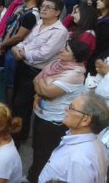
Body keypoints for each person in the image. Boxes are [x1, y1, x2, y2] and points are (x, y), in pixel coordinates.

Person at [28, 40, 90, 182]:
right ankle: (32, 175)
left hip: (54, 120)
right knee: (37, 147)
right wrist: (41, 89)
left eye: (66, 50)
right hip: (41, 113)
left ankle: (36, 178)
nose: (61, 50)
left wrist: (41, 87)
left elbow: (48, 92)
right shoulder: (57, 64)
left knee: (44, 152)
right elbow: (36, 79)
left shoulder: (75, 74)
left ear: (75, 57)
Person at [11, 0, 69, 145]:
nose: (43, 9)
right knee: (15, 102)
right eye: (43, 6)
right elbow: (25, 42)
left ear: (57, 12)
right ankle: (20, 133)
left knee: (21, 104)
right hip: (22, 66)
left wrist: (22, 53)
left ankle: (16, 139)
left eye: (48, 7)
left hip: (36, 72)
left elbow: (44, 54)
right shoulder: (38, 23)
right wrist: (18, 48)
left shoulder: (60, 31)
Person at [39, 93, 109, 183]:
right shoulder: (94, 142)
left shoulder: (79, 160)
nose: (66, 109)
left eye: (71, 107)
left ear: (86, 120)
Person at [0, 0, 42, 105]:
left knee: (11, 82)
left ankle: (9, 108)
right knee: (6, 79)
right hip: (8, 47)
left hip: (17, 49)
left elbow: (19, 36)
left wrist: (3, 45)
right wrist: (3, 44)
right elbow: (11, 28)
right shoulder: (21, 9)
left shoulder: (32, 15)